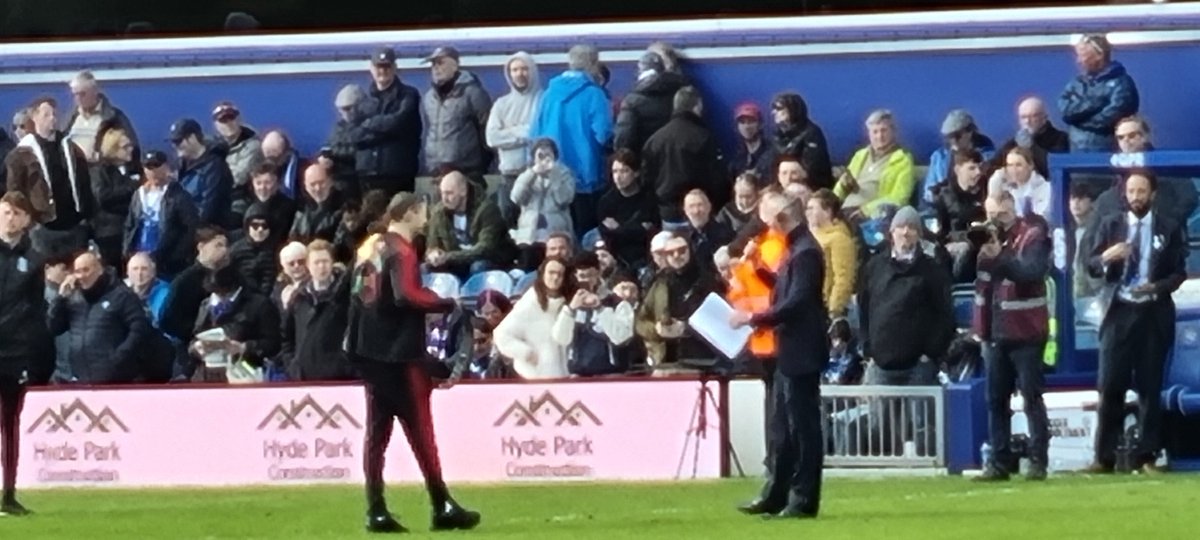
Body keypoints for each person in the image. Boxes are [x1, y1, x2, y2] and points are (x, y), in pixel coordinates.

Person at [345, 192, 480, 533]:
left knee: (377, 433)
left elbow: (357, 294)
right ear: (409, 213)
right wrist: (445, 303)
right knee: (421, 429)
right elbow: (406, 294)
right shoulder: (402, 249)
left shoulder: (369, 246)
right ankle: (441, 504)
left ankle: (375, 508)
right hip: (398, 352)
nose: (426, 218)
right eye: (422, 212)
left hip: (368, 349)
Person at [731, 190, 827, 520]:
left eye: (770, 221)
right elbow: (783, 288)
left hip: (801, 350)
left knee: (802, 427)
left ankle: (802, 498)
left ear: (783, 219)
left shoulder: (805, 253)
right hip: (791, 349)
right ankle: (778, 494)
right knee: (785, 426)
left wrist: (753, 318)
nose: (767, 228)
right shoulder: (797, 251)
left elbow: (796, 301)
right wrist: (757, 267)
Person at [1085, 170, 1186, 474]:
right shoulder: (1110, 224)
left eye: (1141, 191)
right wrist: (1106, 258)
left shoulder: (1168, 227)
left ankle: (1148, 456)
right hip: (1119, 310)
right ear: (1124, 194)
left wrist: (1156, 287)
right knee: (1110, 385)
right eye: (1131, 191)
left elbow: (1178, 272)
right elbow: (1089, 265)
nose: (1136, 197)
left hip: (1152, 312)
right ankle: (1104, 458)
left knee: (1149, 387)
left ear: (1152, 194)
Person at [971, 192, 1052, 482]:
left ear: (1012, 210)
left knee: (1031, 397)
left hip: (1026, 331)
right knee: (995, 400)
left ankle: (1038, 460)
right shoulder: (985, 241)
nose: (996, 221)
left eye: (1001, 215)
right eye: (991, 215)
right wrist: (972, 251)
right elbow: (966, 274)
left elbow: (1031, 272)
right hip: (993, 332)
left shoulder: (1032, 236)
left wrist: (1000, 257)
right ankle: (999, 461)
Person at [0, 192, 51, 516]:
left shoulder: (33, 261)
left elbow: (35, 311)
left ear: (26, 220)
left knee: (10, 423)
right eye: (5, 212)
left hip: (14, 354)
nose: (10, 218)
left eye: (17, 213)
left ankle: (9, 494)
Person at [1059, 34, 1139, 152]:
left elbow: (1110, 117)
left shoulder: (1122, 83)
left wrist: (1078, 122)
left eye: (1083, 56)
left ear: (1099, 55)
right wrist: (1096, 103)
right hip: (1077, 157)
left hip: (1108, 155)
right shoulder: (1077, 83)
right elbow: (1065, 110)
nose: (1079, 61)